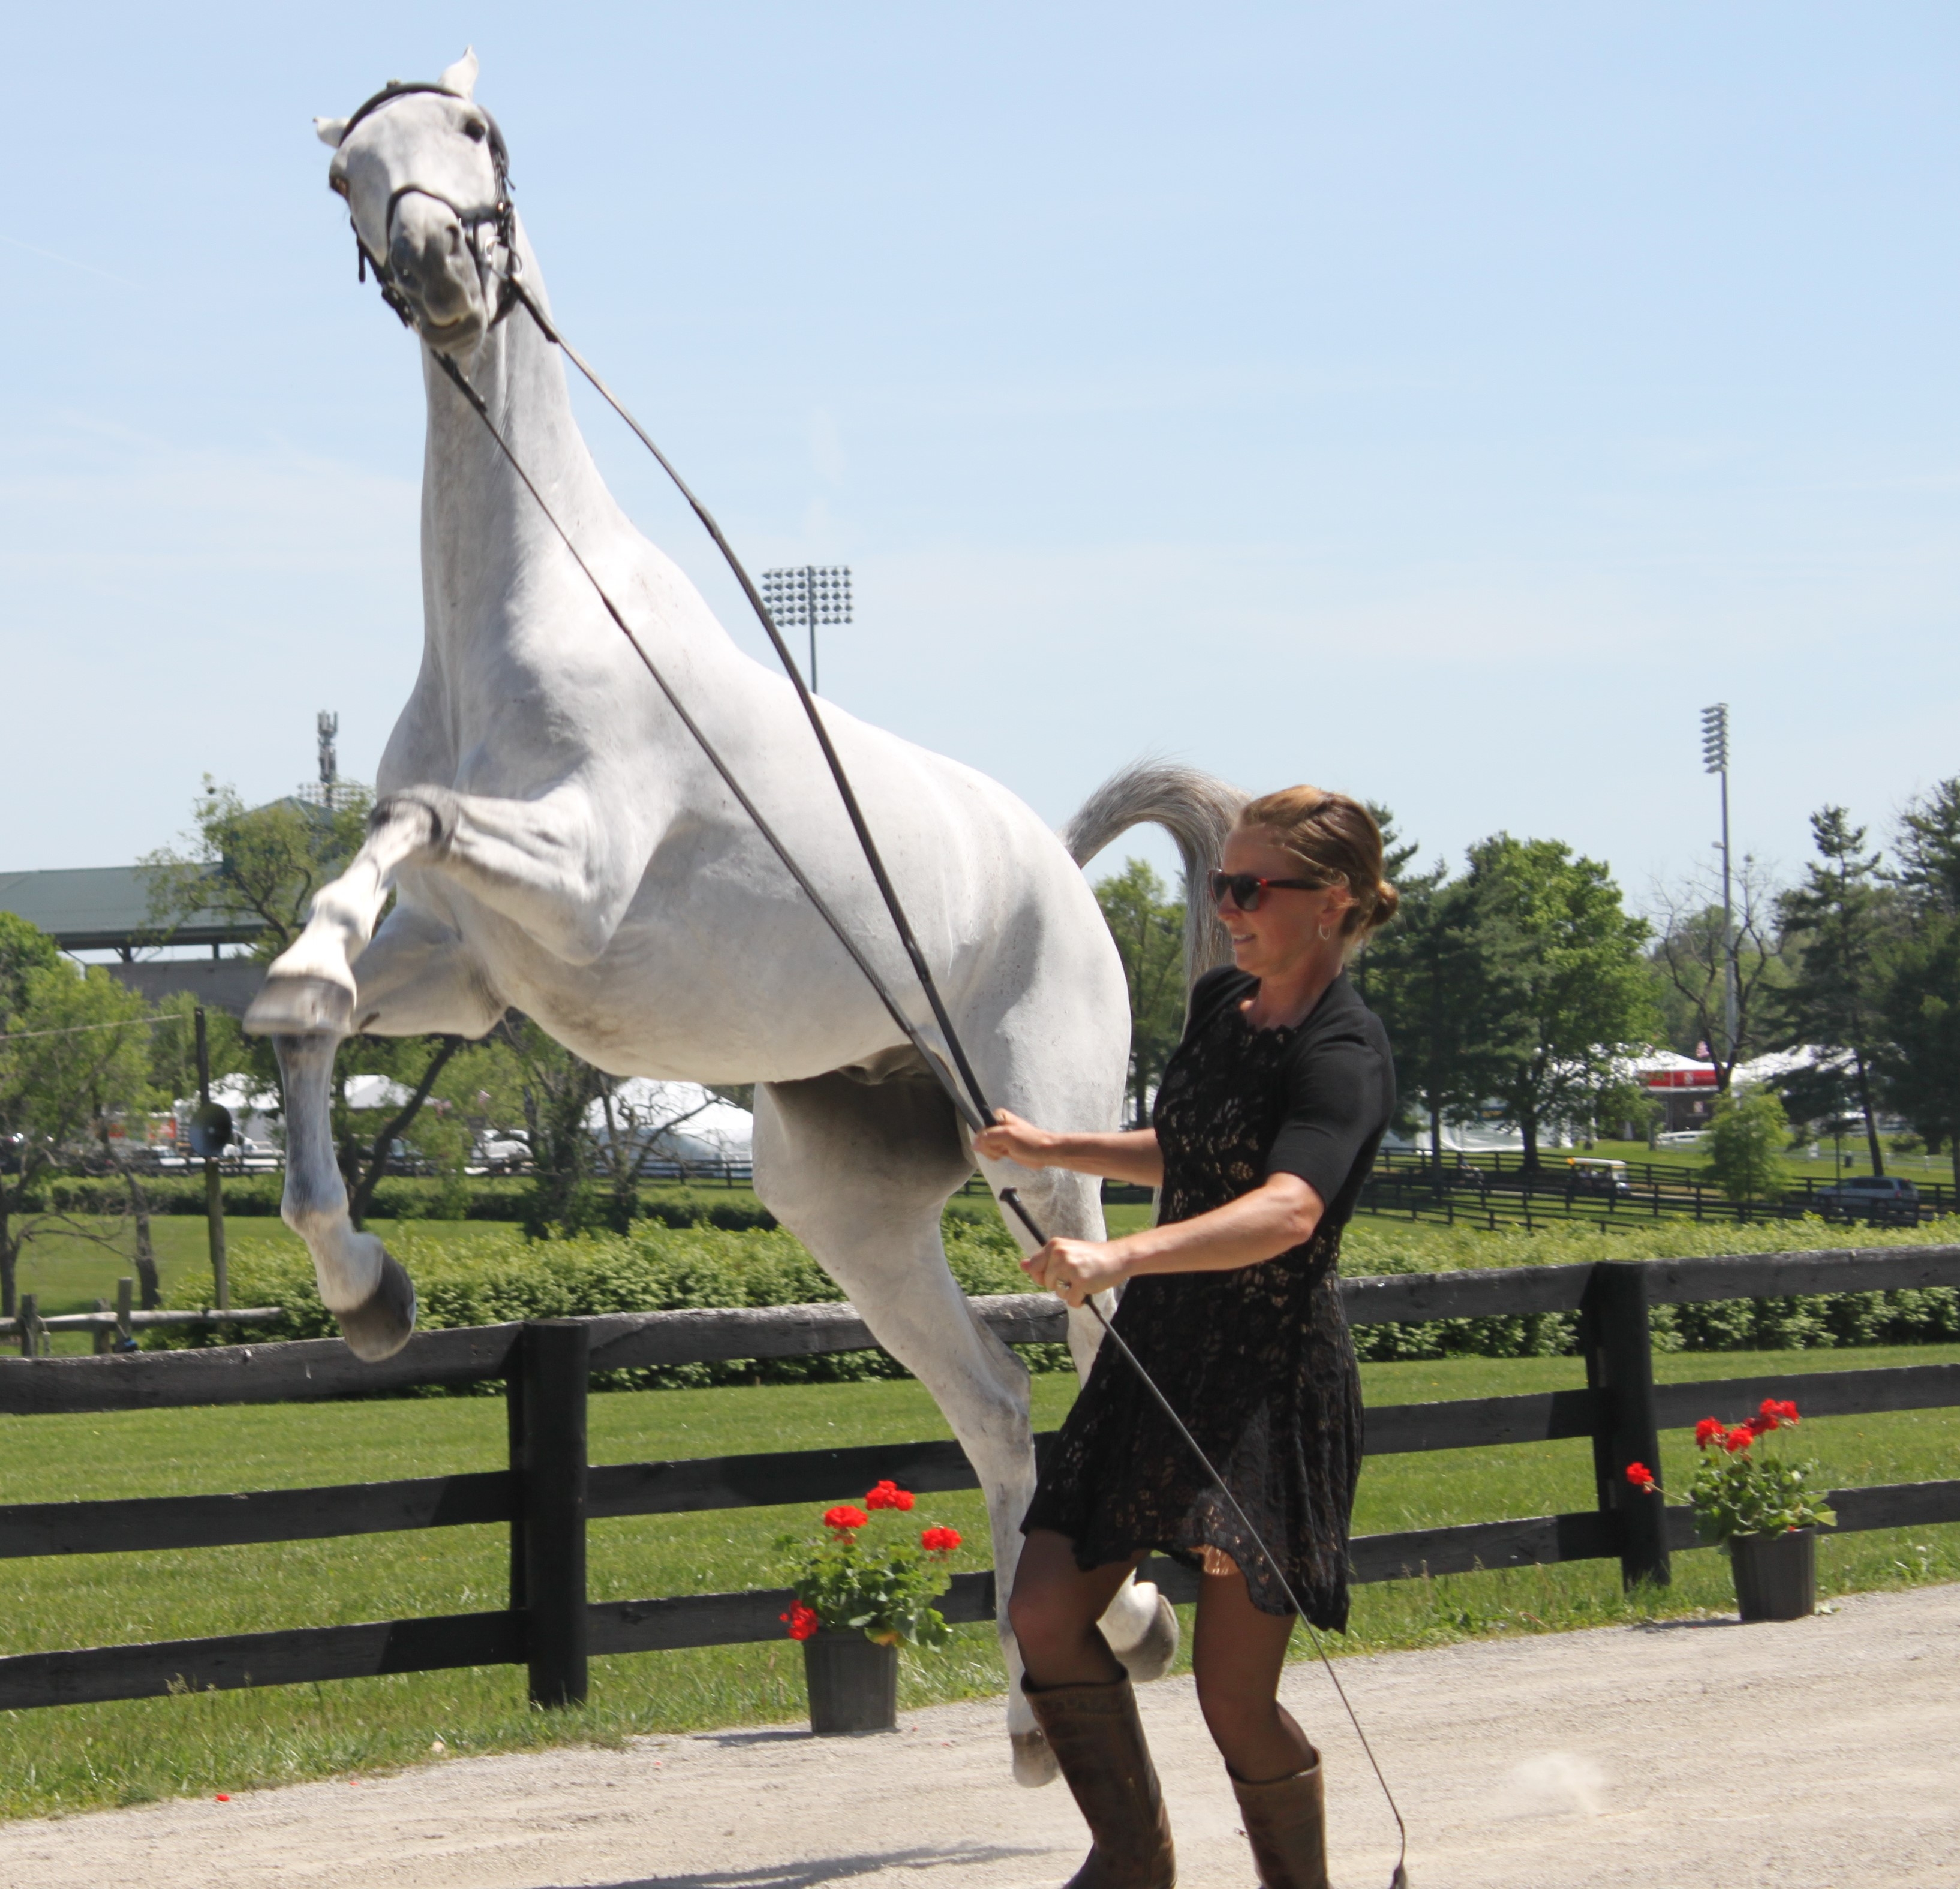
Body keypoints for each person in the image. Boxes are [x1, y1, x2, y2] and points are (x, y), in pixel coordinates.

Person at [975, 785, 1398, 1889]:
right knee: (1046, 1607)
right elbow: (1195, 1149)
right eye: (1222, 884)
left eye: (1252, 888)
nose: (1227, 909)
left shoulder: (1344, 1048)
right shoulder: (1226, 1006)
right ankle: (1132, 1863)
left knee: (1234, 1701)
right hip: (1157, 1360)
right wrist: (1054, 1142)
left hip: (1265, 1384)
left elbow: (1287, 1207)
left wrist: (1119, 1258)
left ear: (1333, 902)